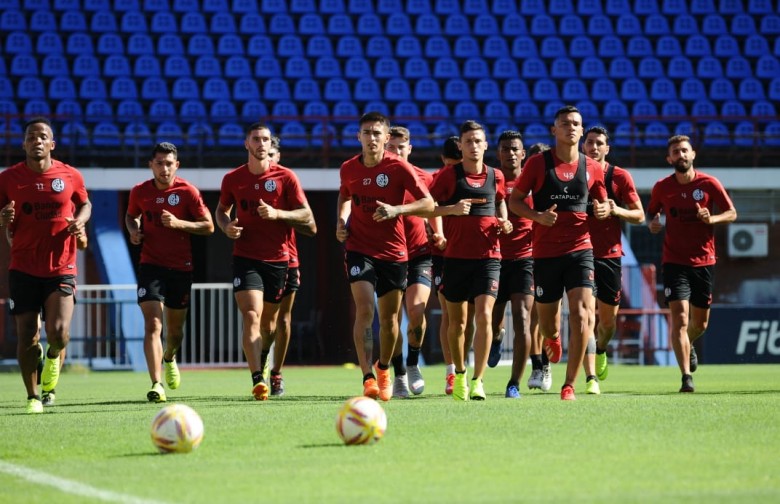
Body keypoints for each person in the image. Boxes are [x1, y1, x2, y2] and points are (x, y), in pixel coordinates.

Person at [509, 105, 610, 401]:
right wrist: (537, 217)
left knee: (581, 315)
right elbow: (515, 201)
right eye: (564, 123)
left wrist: (603, 209)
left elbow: (602, 202)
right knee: (550, 323)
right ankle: (553, 339)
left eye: (576, 123)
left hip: (580, 250)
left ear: (581, 130)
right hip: (544, 253)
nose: (571, 128)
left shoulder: (592, 166)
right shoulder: (538, 164)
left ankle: (569, 385)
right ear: (554, 130)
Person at [336, 112, 434, 401]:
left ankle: (383, 368)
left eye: (377, 133)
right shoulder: (348, 168)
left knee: (390, 319)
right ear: (358, 137)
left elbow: (429, 204)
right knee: (365, 310)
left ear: (386, 137)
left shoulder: (399, 168)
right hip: (359, 248)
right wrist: (341, 221)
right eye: (366, 133)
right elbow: (345, 196)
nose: (372, 138)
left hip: (393, 252)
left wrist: (397, 210)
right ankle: (367, 376)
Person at [216, 123, 315, 400]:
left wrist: (277, 214)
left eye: (266, 139)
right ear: (246, 143)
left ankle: (266, 361)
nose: (261, 144)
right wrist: (226, 227)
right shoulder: (233, 179)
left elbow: (306, 216)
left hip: (279, 259)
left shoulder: (286, 177)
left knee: (270, 324)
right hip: (246, 257)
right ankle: (257, 377)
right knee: (251, 314)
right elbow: (221, 210)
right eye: (256, 139)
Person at [0, 117, 92, 414]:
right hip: (24, 267)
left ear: (51, 144)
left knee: (59, 332)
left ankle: (53, 357)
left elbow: (85, 204)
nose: (36, 141)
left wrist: (79, 221)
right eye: (31, 137)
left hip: (61, 267)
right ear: (24, 143)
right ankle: (33, 396)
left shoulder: (70, 175)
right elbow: (2, 215)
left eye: (42, 136)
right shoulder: (8, 178)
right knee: (27, 333)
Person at [428, 120, 513, 401]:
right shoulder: (449, 176)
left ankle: (478, 381)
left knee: (485, 316)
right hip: (455, 258)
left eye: (478, 141)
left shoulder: (496, 176)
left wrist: (505, 220)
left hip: (489, 257)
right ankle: (460, 373)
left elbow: (500, 200)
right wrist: (452, 209)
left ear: (486, 145)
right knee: (458, 323)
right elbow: (428, 206)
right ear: (461, 146)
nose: (474, 146)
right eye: (468, 142)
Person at [126, 142, 215, 403]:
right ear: (150, 165)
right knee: (153, 324)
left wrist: (179, 223)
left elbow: (208, 226)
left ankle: (170, 356)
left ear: (177, 165)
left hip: (180, 268)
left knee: (175, 332)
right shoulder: (139, 192)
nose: (164, 169)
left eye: (169, 164)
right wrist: (133, 230)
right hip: (150, 266)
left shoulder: (188, 192)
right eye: (159, 163)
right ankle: (156, 384)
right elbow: (131, 216)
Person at [647, 135, 736, 393]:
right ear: (669, 158)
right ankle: (686, 377)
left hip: (704, 261)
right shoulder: (662, 187)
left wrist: (712, 219)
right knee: (680, 319)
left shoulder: (709, 183)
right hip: (674, 261)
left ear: (693, 154)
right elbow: (652, 213)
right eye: (675, 152)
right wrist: (652, 223)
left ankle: (689, 344)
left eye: (684, 150)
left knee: (700, 324)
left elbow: (732, 213)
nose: (681, 155)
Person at [580, 127, 645, 395]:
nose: (594, 147)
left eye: (599, 143)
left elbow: (640, 215)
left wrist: (614, 209)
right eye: (590, 143)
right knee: (584, 317)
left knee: (607, 323)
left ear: (607, 148)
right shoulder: (572, 174)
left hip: (609, 255)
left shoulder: (619, 176)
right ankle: (590, 377)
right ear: (583, 146)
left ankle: (602, 347)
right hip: (579, 254)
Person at [385, 126, 441, 398]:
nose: (396, 151)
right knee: (392, 319)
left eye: (401, 147)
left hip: (419, 253)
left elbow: (432, 206)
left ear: (410, 148)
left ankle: (413, 363)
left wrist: (438, 231)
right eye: (391, 147)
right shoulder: (378, 176)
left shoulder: (423, 177)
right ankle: (399, 376)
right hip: (388, 255)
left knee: (417, 313)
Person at [261, 136, 317, 396]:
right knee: (257, 317)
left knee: (282, 320)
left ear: (278, 156)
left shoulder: (287, 183)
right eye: (264, 153)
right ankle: (259, 364)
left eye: (272, 154)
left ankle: (276, 374)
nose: (268, 158)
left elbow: (312, 226)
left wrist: (281, 216)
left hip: (287, 260)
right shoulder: (247, 182)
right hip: (254, 259)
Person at [486, 130, 536, 399]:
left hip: (525, 259)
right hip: (494, 258)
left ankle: (514, 383)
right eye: (505, 149)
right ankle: (496, 337)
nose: (510, 153)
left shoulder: (533, 182)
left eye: (515, 149)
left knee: (523, 319)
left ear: (523, 153)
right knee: (493, 319)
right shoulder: (491, 179)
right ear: (498, 153)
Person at [431, 137, 475, 395]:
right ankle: (451, 371)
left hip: (473, 254)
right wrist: (438, 234)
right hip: (443, 254)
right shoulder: (439, 178)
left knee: (468, 317)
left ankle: (463, 363)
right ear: (444, 161)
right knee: (449, 312)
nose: (456, 168)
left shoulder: (476, 176)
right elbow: (431, 207)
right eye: (451, 163)